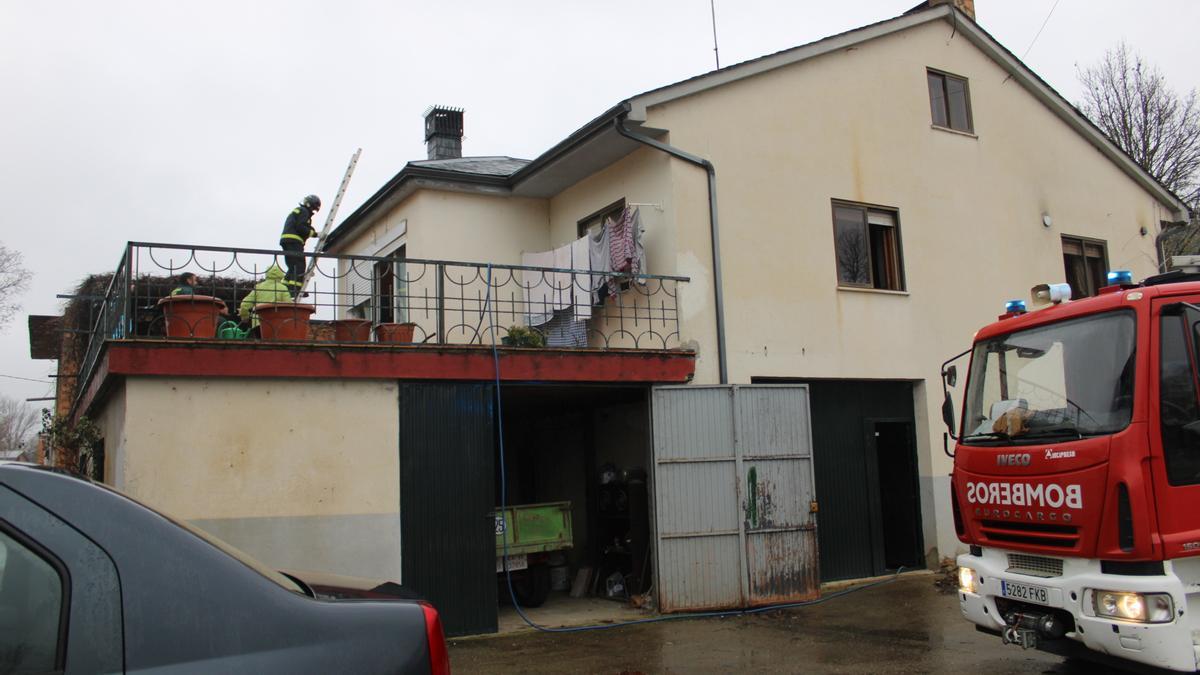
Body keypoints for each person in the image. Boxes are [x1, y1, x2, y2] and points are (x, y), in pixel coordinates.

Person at [280, 194, 321, 297]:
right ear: (310, 205)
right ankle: (295, 290)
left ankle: (284, 290)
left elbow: (300, 225)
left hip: (287, 241)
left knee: (292, 267)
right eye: (313, 208)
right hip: (294, 241)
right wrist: (315, 234)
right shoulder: (304, 211)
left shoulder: (298, 211)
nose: (313, 211)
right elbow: (301, 227)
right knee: (299, 266)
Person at [238, 264, 291, 336]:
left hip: (258, 323)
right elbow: (288, 307)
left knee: (260, 345)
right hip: (276, 324)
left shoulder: (259, 287)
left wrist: (245, 317)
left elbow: (244, 304)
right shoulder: (283, 288)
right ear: (281, 274)